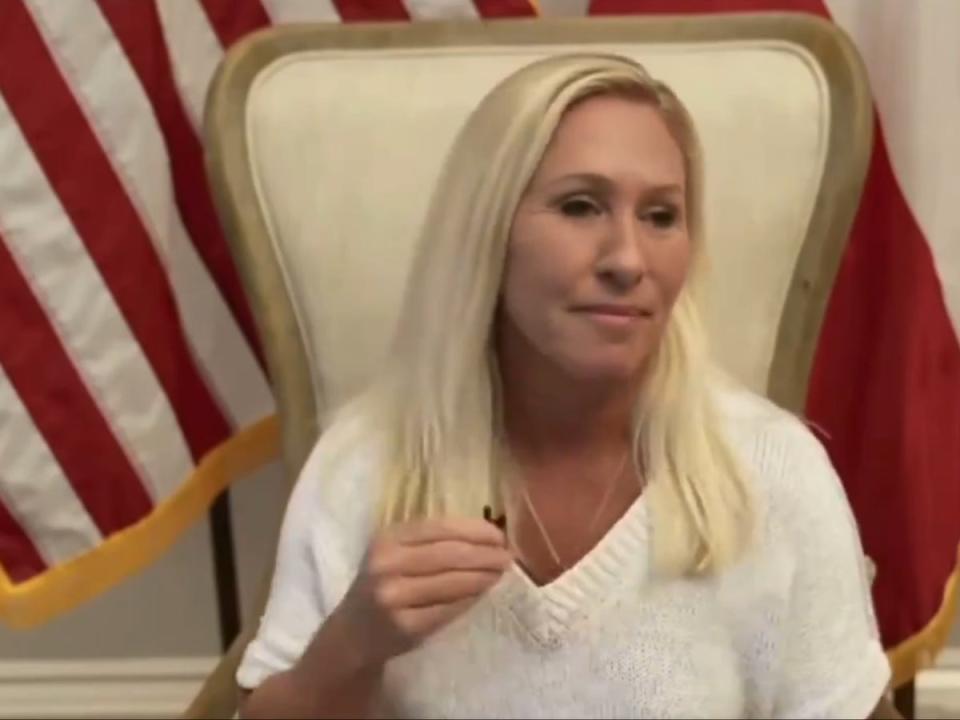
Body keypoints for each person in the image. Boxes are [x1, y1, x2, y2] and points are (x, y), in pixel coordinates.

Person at [235, 53, 897, 719]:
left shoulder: (772, 471)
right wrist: (351, 646)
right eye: (581, 207)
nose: (628, 260)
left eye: (661, 216)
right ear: (489, 232)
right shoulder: (366, 464)